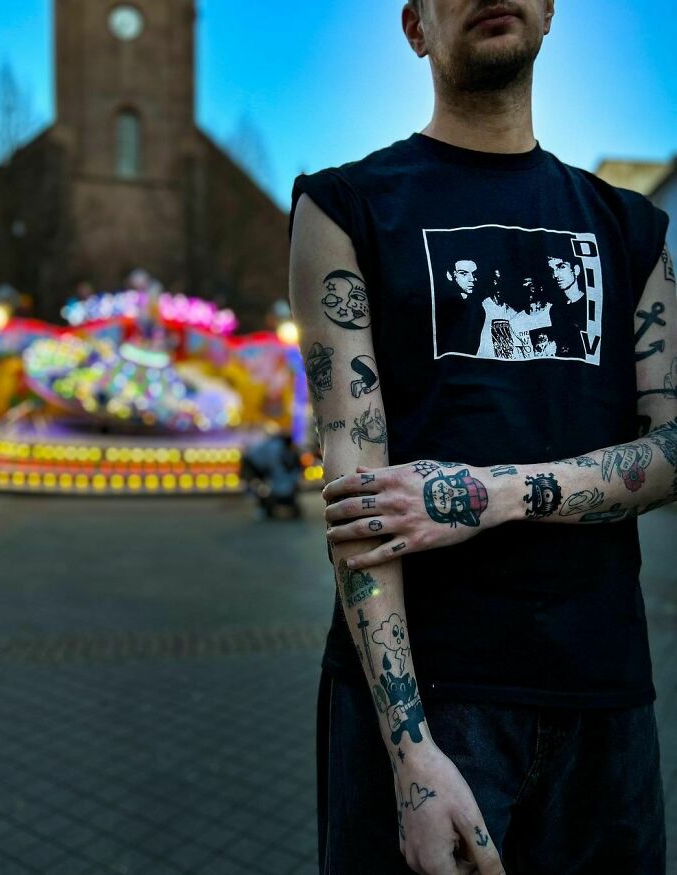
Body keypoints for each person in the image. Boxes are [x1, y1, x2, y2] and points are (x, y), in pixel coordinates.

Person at [288, 1, 674, 873]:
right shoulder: (344, 208)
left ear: (550, 10)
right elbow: (355, 488)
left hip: (605, 703)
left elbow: (674, 447)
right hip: (428, 710)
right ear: (416, 27)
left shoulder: (629, 227)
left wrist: (487, 494)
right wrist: (412, 751)